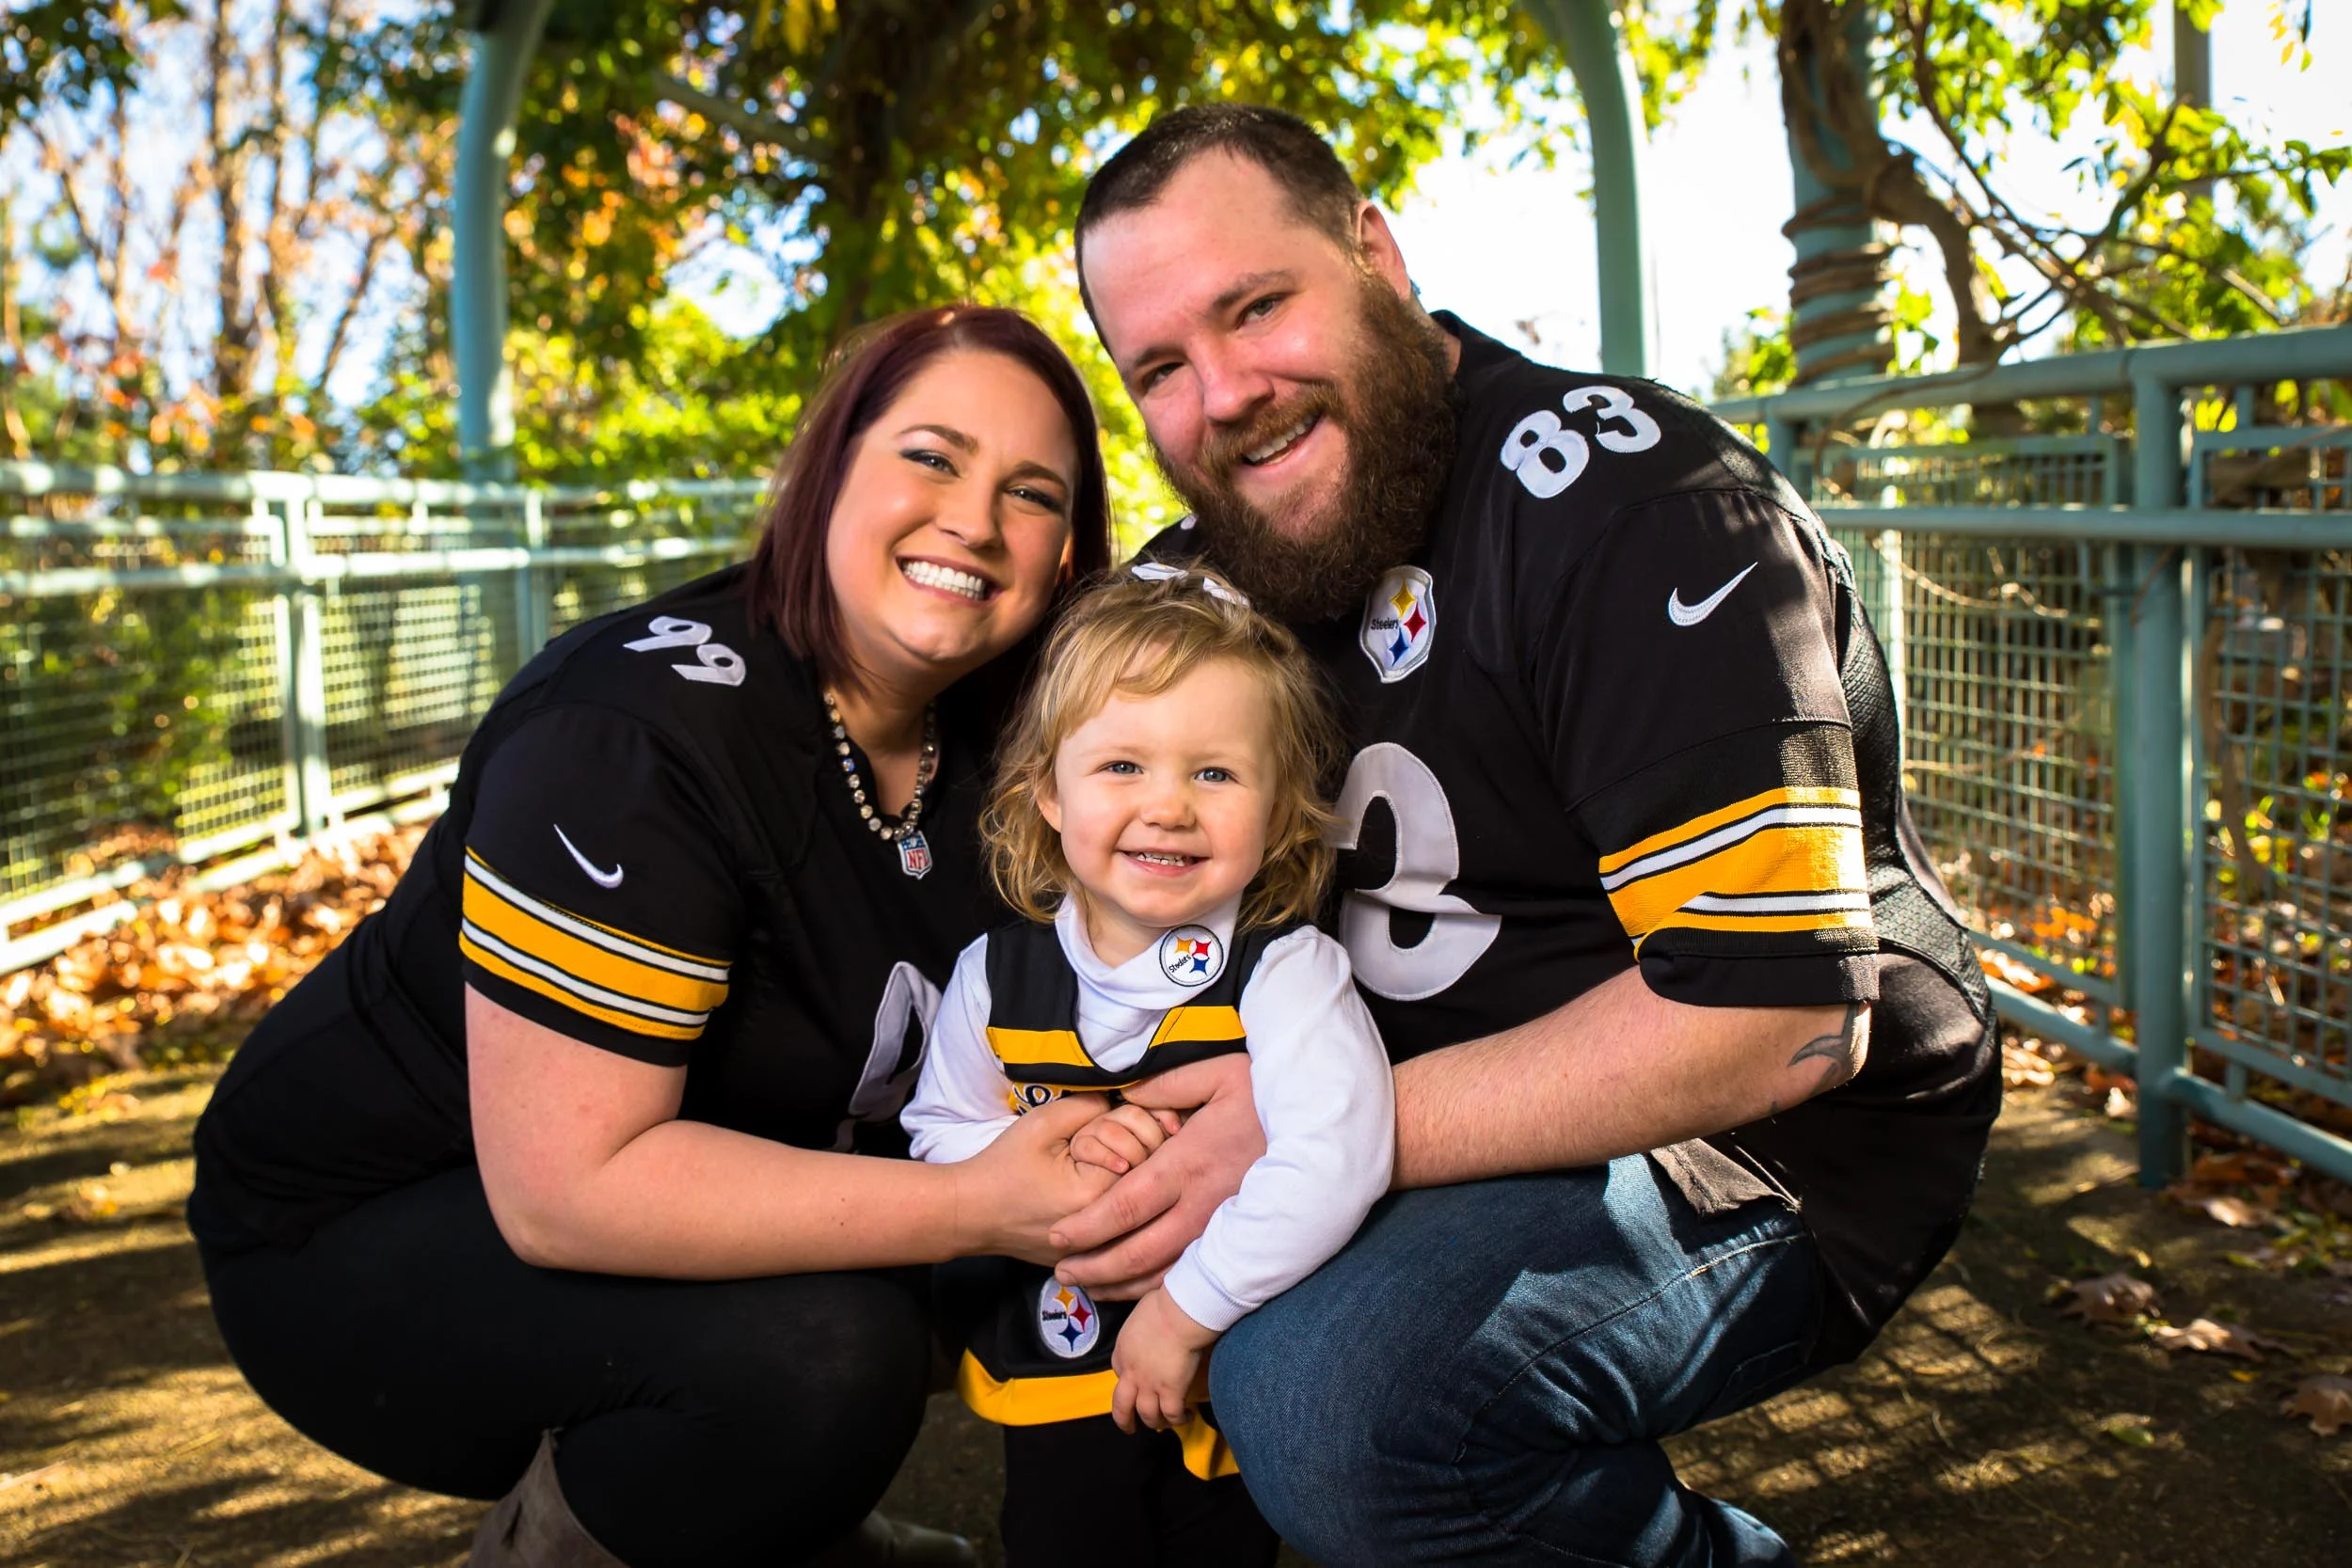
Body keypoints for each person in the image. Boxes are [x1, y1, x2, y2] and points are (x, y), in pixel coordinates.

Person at [1046, 104, 2002, 1565]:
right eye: (1162, 367)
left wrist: (1312, 1129)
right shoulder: (1201, 586)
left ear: (1375, 253)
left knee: (1334, 1400)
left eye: (1258, 306)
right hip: (1423, 1097)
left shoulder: (1632, 503)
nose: (1224, 392)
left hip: (1768, 1140)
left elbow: (1774, 1022)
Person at [185, 306, 1119, 1568]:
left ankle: (758, 1515)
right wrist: (974, 1201)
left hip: (668, 1177)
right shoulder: (630, 733)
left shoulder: (1012, 738)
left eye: (1032, 490)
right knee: (830, 1348)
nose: (973, 516)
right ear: (826, 469)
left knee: (1092, 1238)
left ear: (1067, 555)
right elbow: (570, 1190)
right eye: (931, 454)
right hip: (367, 1225)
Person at [902, 564, 1393, 1567]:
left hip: (1223, 1352)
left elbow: (1340, 1153)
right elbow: (936, 1136)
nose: (1167, 805)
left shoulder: (1288, 969)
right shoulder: (992, 974)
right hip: (1051, 1351)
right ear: (1045, 788)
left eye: (1214, 773)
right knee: (1057, 1536)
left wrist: (1186, 1308)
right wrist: (1052, 1143)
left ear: (1282, 808)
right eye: (1122, 765)